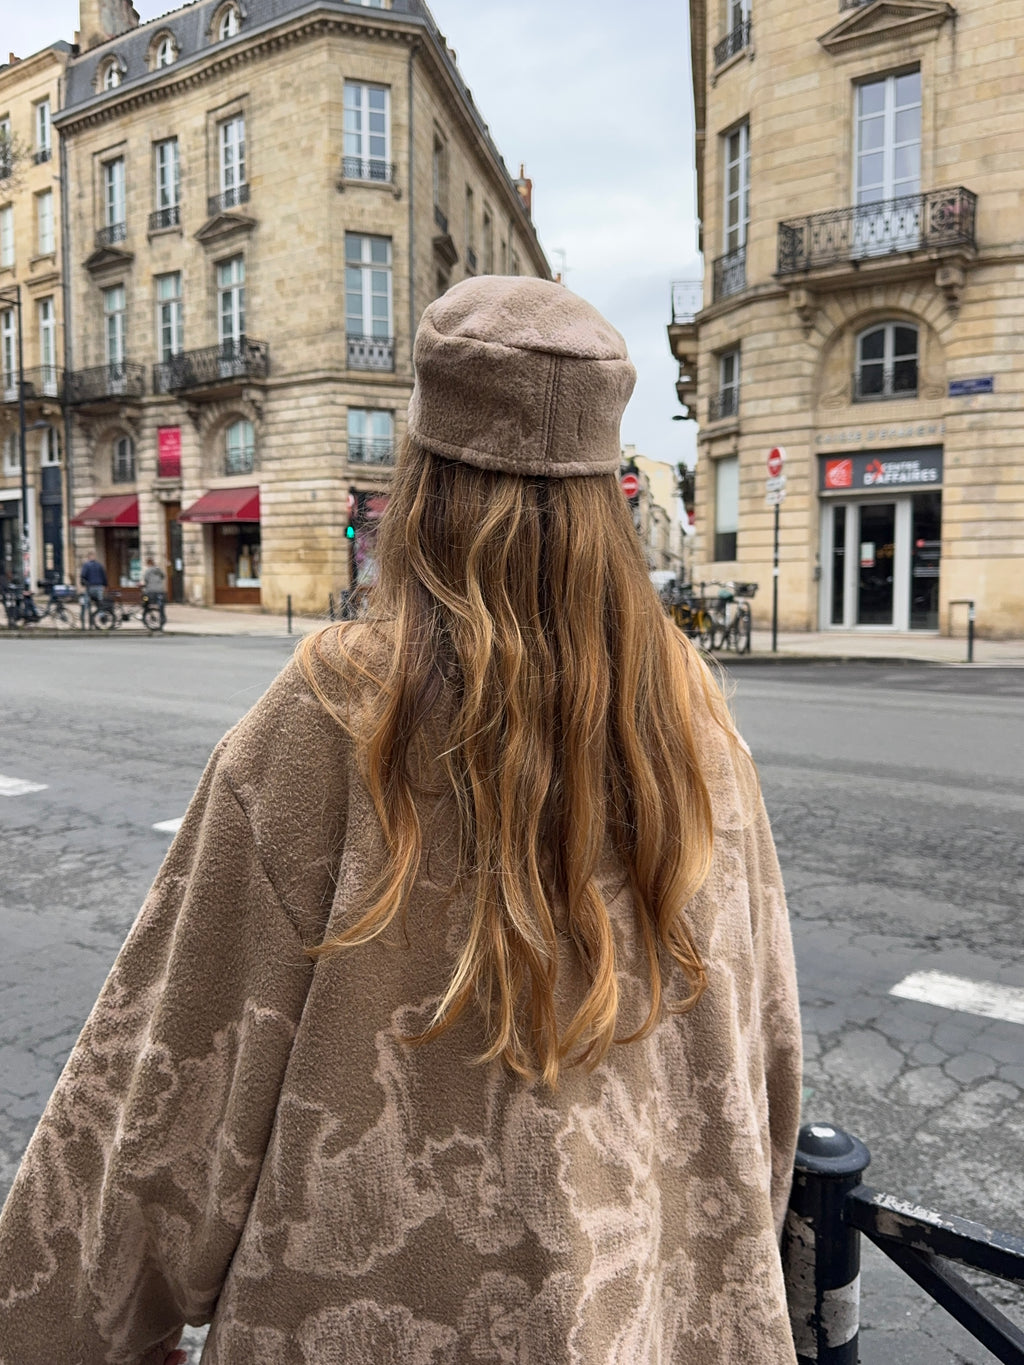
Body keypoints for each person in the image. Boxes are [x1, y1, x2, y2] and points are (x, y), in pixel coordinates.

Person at [0, 277, 802, 1364]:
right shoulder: (697, 726)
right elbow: (765, 1071)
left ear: (417, 481)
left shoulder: (340, 715)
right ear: (610, 497)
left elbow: (153, 1107)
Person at [79, 551, 108, 629]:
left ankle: (85, 623)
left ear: (88, 557)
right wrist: (105, 585)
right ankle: (102, 618)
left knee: (86, 604)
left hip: (90, 588)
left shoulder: (86, 565)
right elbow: (104, 576)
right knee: (100, 603)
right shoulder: (99, 565)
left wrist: (83, 585)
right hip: (99, 587)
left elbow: (83, 576)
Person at [142, 555, 168, 626]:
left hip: (150, 591)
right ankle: (162, 618)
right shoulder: (159, 570)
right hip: (160, 591)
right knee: (161, 605)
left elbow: (146, 580)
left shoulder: (148, 570)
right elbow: (163, 576)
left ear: (148, 563)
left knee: (145, 602)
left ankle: (144, 617)